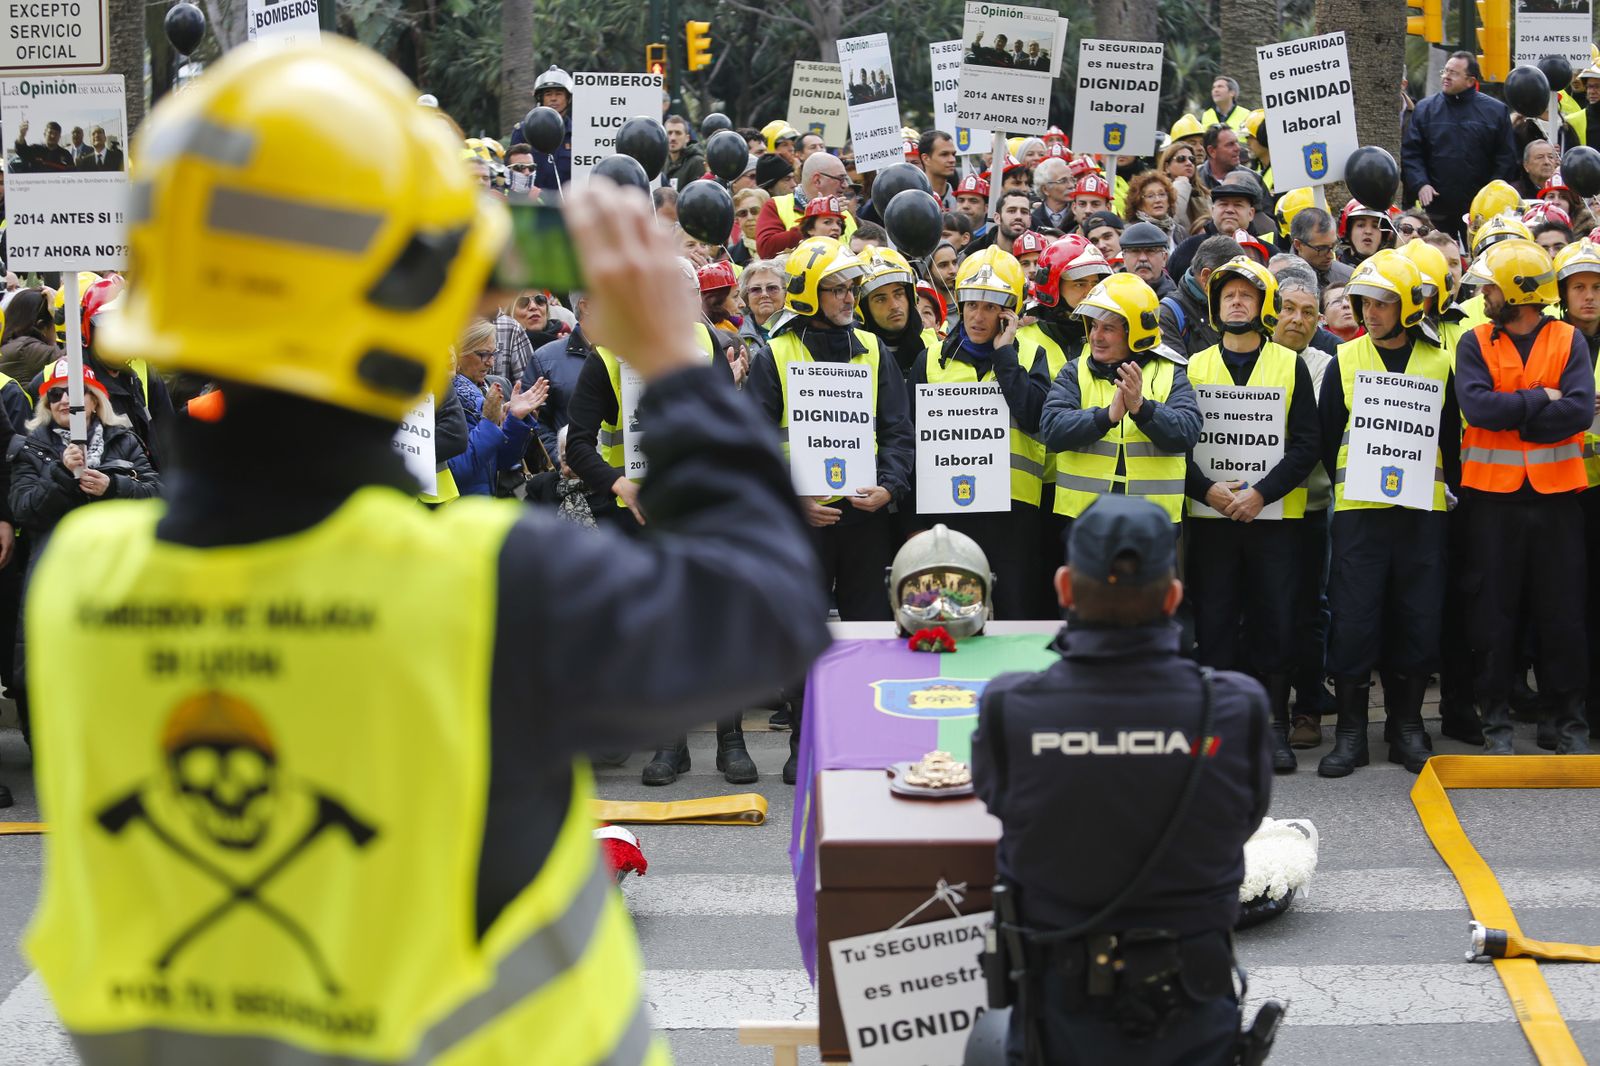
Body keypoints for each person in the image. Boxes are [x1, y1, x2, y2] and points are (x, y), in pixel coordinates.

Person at [27, 41, 832, 1066]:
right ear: (416, 304)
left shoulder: (79, 585)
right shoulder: (483, 588)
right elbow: (769, 608)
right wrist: (674, 362)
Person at [970, 494, 1271, 1066]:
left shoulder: (1012, 708)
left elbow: (996, 798)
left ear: (1064, 588)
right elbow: (1245, 818)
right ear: (1174, 597)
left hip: (1057, 1020)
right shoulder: (1236, 708)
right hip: (1194, 1011)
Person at [1316, 250, 1459, 777]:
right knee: (1354, 619)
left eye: (1382, 303)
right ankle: (1352, 732)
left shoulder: (1439, 362)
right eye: (1363, 303)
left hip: (1422, 515)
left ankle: (1407, 727)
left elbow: (1452, 443)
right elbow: (1328, 438)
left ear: (1407, 307)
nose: (1370, 313)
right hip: (1361, 515)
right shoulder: (1344, 360)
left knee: (1417, 617)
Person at [1455, 239, 1593, 753]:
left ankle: (1567, 722)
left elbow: (1577, 412)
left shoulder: (1567, 339)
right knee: (1493, 617)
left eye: (1491, 287)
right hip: (1493, 503)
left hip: (1556, 501)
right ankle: (1496, 724)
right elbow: (1478, 409)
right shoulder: (1474, 342)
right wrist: (1540, 399)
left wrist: (1519, 420)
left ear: (1517, 292)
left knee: (1563, 615)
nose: (1484, 294)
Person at [1183, 258, 1319, 772]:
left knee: (1276, 621)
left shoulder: (1290, 364)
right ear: (1215, 306)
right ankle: (1219, 728)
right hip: (1212, 521)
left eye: (1246, 295)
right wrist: (1208, 491)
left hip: (1276, 521)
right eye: (1228, 295)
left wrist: (1262, 493)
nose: (1236, 302)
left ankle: (1274, 725)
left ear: (1263, 306)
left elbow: (1306, 445)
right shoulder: (1193, 366)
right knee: (1215, 623)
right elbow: (1179, 447)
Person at [908, 249, 1046, 618]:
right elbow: (910, 442)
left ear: (1009, 312)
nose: (977, 316)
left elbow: (1035, 417)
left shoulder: (1032, 355)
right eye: (971, 304)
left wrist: (1005, 356)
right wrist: (913, 524)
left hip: (1014, 516)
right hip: (948, 513)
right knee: (950, 616)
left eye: (989, 307)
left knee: (1015, 619)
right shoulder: (930, 359)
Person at [1038, 273, 1202, 554]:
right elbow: (1052, 429)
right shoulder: (1074, 371)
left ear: (1135, 332)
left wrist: (1142, 408)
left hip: (1153, 528)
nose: (1096, 337)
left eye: (1108, 328)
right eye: (1094, 326)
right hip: (1086, 525)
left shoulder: (1170, 372)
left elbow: (1187, 432)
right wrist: (1106, 417)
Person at [1269, 260, 1339, 744]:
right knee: (1261, 611)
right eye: (1288, 308)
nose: (1297, 319)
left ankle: (1308, 709)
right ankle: (1265, 707)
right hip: (1254, 510)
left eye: (1308, 312)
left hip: (1309, 508)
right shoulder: (1250, 356)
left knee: (1310, 611)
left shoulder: (1326, 367)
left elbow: (1311, 437)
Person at [1402, 51, 1519, 242]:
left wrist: (1491, 195)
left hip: (1481, 213)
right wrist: (1421, 183)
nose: (1446, 76)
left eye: (1454, 73)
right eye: (1445, 71)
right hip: (1436, 209)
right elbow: (1412, 153)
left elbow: (1506, 158)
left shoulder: (1495, 111)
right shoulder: (1424, 109)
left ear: (1470, 81)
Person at [755, 150, 854, 258]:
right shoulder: (776, 205)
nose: (845, 185)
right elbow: (766, 250)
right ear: (817, 180)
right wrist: (812, 220)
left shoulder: (844, 213)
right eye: (840, 179)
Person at [1159, 234, 1242, 357]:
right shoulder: (1168, 316)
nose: (1238, 290)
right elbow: (1175, 368)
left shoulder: (1241, 306)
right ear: (1206, 277)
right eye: (1232, 279)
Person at [1167, 172, 1258, 283]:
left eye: (1238, 205)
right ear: (1212, 211)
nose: (1230, 210)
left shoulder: (1266, 251)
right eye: (1223, 204)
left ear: (1251, 213)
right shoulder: (1188, 249)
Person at [509, 65, 573, 195]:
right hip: (532, 203)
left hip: (568, 204)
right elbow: (514, 171)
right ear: (540, 98)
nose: (553, 98)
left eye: (559, 94)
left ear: (568, 98)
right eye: (548, 94)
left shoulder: (578, 134)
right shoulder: (523, 131)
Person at [0, 288, 62, 384]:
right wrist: (60, 318)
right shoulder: (27, 349)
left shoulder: (14, 344)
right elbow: (78, 359)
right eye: (55, 323)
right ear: (42, 326)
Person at [736, 258, 786, 355]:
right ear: (746, 298)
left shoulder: (803, 332)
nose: (764, 294)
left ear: (785, 294)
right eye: (756, 289)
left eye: (772, 288)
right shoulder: (734, 335)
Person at [1160, 141, 1210, 235]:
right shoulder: (1158, 194)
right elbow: (1171, 220)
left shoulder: (1203, 194)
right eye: (1181, 159)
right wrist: (1182, 184)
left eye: (1192, 159)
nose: (1189, 163)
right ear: (1167, 167)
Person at [1120, 222, 1174, 297]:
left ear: (1164, 258)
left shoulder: (1176, 301)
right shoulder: (1108, 295)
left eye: (1150, 251)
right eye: (1135, 251)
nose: (1143, 258)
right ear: (1124, 258)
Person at [1337, 201, 1393, 268]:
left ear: (1383, 235)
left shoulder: (1394, 270)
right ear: (1348, 232)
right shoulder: (1330, 268)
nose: (1368, 231)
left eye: (1375, 226)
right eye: (1361, 225)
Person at [663, 114, 706, 192]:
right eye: (669, 133)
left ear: (687, 138)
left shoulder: (697, 162)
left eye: (678, 133)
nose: (673, 138)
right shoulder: (661, 162)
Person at [1196, 124, 1244, 193]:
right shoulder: (1193, 178)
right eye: (1230, 144)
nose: (1238, 148)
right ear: (1212, 151)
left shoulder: (1252, 178)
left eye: (1237, 142)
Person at [1030, 157, 1074, 232]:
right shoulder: (1032, 220)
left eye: (1072, 179)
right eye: (1063, 181)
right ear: (1045, 189)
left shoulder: (1078, 216)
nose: (1071, 185)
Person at [919, 129, 958, 207]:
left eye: (953, 154)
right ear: (926, 159)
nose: (952, 160)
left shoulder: (961, 201)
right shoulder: (914, 200)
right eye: (944, 154)